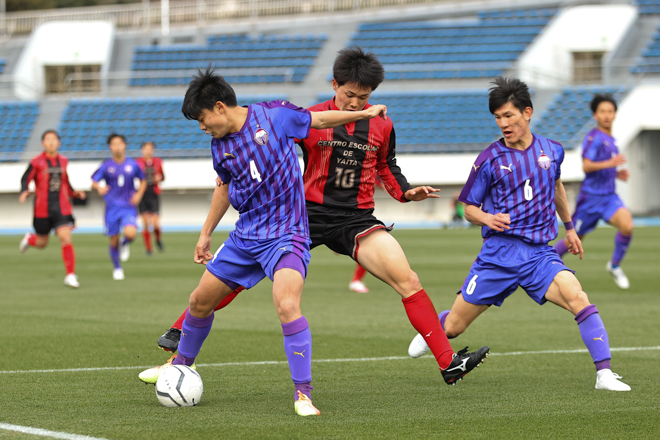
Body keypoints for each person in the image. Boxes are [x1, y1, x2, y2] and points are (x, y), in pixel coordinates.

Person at [140, 48, 489, 389]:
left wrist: (405, 192)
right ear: (334, 84)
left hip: (355, 219)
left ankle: (448, 362)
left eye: (364, 97)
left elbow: (386, 165)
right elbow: (268, 148)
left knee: (408, 279)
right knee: (234, 278)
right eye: (350, 95)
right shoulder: (310, 117)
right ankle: (178, 336)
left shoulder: (382, 124)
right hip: (302, 214)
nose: (356, 104)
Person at [158, 67, 390, 417]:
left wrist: (363, 113)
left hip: (287, 234)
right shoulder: (219, 147)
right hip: (246, 237)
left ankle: (303, 394)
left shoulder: (274, 115)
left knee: (286, 303)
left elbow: (320, 120)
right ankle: (179, 367)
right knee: (199, 301)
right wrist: (206, 233)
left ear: (220, 107)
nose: (202, 127)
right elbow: (223, 187)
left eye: (203, 119)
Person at [407, 77, 630, 391]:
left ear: (527, 113)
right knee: (456, 325)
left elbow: (556, 188)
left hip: (539, 253)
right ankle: (434, 329)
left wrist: (569, 228)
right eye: (498, 117)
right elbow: (467, 206)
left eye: (508, 115)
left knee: (577, 296)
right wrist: (487, 217)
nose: (503, 123)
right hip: (499, 254)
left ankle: (604, 374)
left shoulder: (551, 151)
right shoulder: (490, 159)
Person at [553, 94, 633, 290]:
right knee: (574, 240)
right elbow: (587, 166)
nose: (606, 115)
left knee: (627, 226)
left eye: (610, 111)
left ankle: (614, 266)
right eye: (602, 111)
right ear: (595, 115)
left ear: (615, 114)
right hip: (590, 199)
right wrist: (611, 164)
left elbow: (602, 166)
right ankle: (544, 263)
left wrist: (615, 172)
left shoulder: (611, 140)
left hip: (609, 197)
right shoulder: (593, 138)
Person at [19, 130, 86, 288]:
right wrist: (24, 190)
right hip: (42, 209)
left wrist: (74, 193)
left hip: (62, 208)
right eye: (47, 140)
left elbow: (65, 181)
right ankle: (30, 239)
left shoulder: (63, 161)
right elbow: (25, 178)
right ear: (43, 143)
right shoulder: (36, 162)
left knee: (65, 237)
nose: (51, 142)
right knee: (42, 243)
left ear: (59, 143)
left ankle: (70, 275)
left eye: (54, 139)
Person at [91, 134, 146, 280]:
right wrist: (99, 188)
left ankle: (125, 243)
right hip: (112, 207)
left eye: (119, 143)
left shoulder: (133, 164)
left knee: (131, 234)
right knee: (113, 240)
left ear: (124, 145)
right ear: (110, 147)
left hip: (128, 206)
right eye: (114, 144)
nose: (117, 147)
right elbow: (93, 181)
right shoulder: (106, 165)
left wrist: (139, 195)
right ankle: (117, 268)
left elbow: (143, 180)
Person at [136, 141, 165, 255]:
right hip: (143, 193)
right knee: (146, 223)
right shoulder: (138, 163)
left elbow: (163, 176)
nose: (148, 150)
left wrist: (159, 178)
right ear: (142, 150)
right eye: (146, 148)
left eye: (150, 148)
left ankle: (158, 239)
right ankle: (149, 248)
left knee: (156, 223)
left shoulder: (158, 162)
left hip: (154, 193)